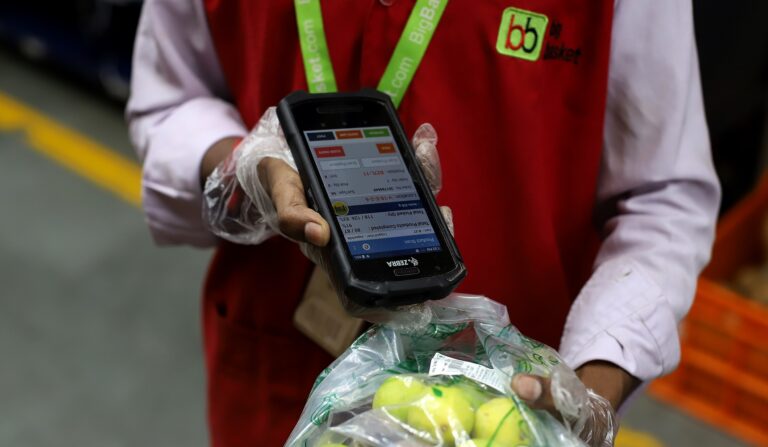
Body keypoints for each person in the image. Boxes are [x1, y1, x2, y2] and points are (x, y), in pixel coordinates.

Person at [126, 1, 720, 446]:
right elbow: (170, 97)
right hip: (272, 377)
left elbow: (662, 196)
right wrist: (244, 169)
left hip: (504, 414)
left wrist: (589, 396)